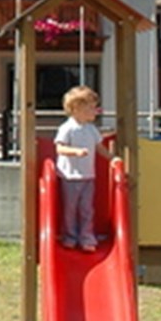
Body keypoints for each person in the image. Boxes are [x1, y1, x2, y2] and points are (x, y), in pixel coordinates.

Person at [53, 86, 103, 251]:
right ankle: (70, 237)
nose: (95, 111)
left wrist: (113, 158)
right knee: (70, 209)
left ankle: (87, 238)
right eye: (91, 108)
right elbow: (60, 148)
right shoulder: (67, 128)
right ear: (77, 109)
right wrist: (76, 152)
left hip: (88, 176)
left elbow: (100, 148)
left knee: (87, 209)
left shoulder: (91, 129)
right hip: (70, 176)